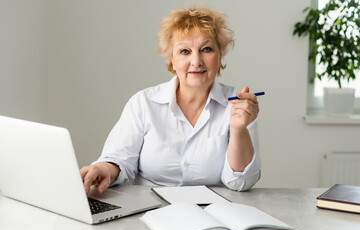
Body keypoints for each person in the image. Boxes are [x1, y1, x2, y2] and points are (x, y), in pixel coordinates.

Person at [80, 6, 261, 194]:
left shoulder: (239, 106)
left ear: (219, 55)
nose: (196, 61)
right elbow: (119, 159)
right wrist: (104, 170)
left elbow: (240, 183)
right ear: (171, 59)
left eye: (206, 49)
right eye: (185, 51)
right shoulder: (143, 103)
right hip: (149, 211)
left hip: (211, 212)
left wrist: (239, 129)